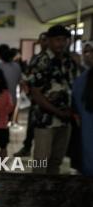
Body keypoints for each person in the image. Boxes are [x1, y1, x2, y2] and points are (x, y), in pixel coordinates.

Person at [27, 25, 79, 174]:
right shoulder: (40, 61)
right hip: (45, 121)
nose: (61, 43)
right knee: (41, 162)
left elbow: (74, 87)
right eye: (57, 40)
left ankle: (51, 194)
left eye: (64, 40)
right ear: (49, 40)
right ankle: (37, 194)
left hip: (65, 120)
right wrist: (57, 111)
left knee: (56, 161)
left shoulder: (69, 61)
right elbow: (36, 94)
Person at [14, 32, 48, 157]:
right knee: (32, 125)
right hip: (37, 99)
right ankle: (27, 147)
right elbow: (29, 75)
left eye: (46, 40)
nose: (45, 43)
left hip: (53, 101)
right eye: (43, 40)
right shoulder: (36, 58)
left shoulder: (59, 59)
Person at [72, 41, 93, 176]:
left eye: (91, 51)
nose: (89, 55)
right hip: (87, 126)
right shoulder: (81, 79)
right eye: (86, 52)